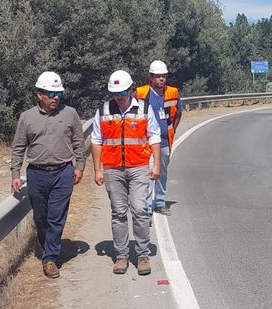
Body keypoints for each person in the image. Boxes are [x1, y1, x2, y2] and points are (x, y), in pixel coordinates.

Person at [10, 71, 87, 279]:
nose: (56, 98)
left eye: (59, 94)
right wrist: (15, 173)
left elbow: (79, 143)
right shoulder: (27, 117)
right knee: (41, 216)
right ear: (39, 94)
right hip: (37, 173)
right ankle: (47, 245)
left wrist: (79, 166)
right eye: (52, 94)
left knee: (56, 216)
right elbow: (18, 147)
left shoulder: (70, 114)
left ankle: (50, 257)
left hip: (63, 172)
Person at [91, 70, 161, 276]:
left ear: (131, 90)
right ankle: (121, 255)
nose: (119, 97)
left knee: (139, 209)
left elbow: (154, 137)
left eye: (122, 92)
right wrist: (97, 169)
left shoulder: (144, 108)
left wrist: (156, 165)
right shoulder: (103, 110)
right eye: (115, 93)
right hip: (113, 169)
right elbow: (96, 140)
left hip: (139, 166)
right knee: (118, 212)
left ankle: (142, 255)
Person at [136, 60, 183, 216]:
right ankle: (147, 208)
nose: (161, 79)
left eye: (163, 76)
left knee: (162, 172)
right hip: (146, 141)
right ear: (151, 77)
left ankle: (160, 203)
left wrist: (172, 130)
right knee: (149, 173)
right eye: (158, 76)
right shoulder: (141, 93)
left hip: (164, 141)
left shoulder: (172, 93)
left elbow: (178, 113)